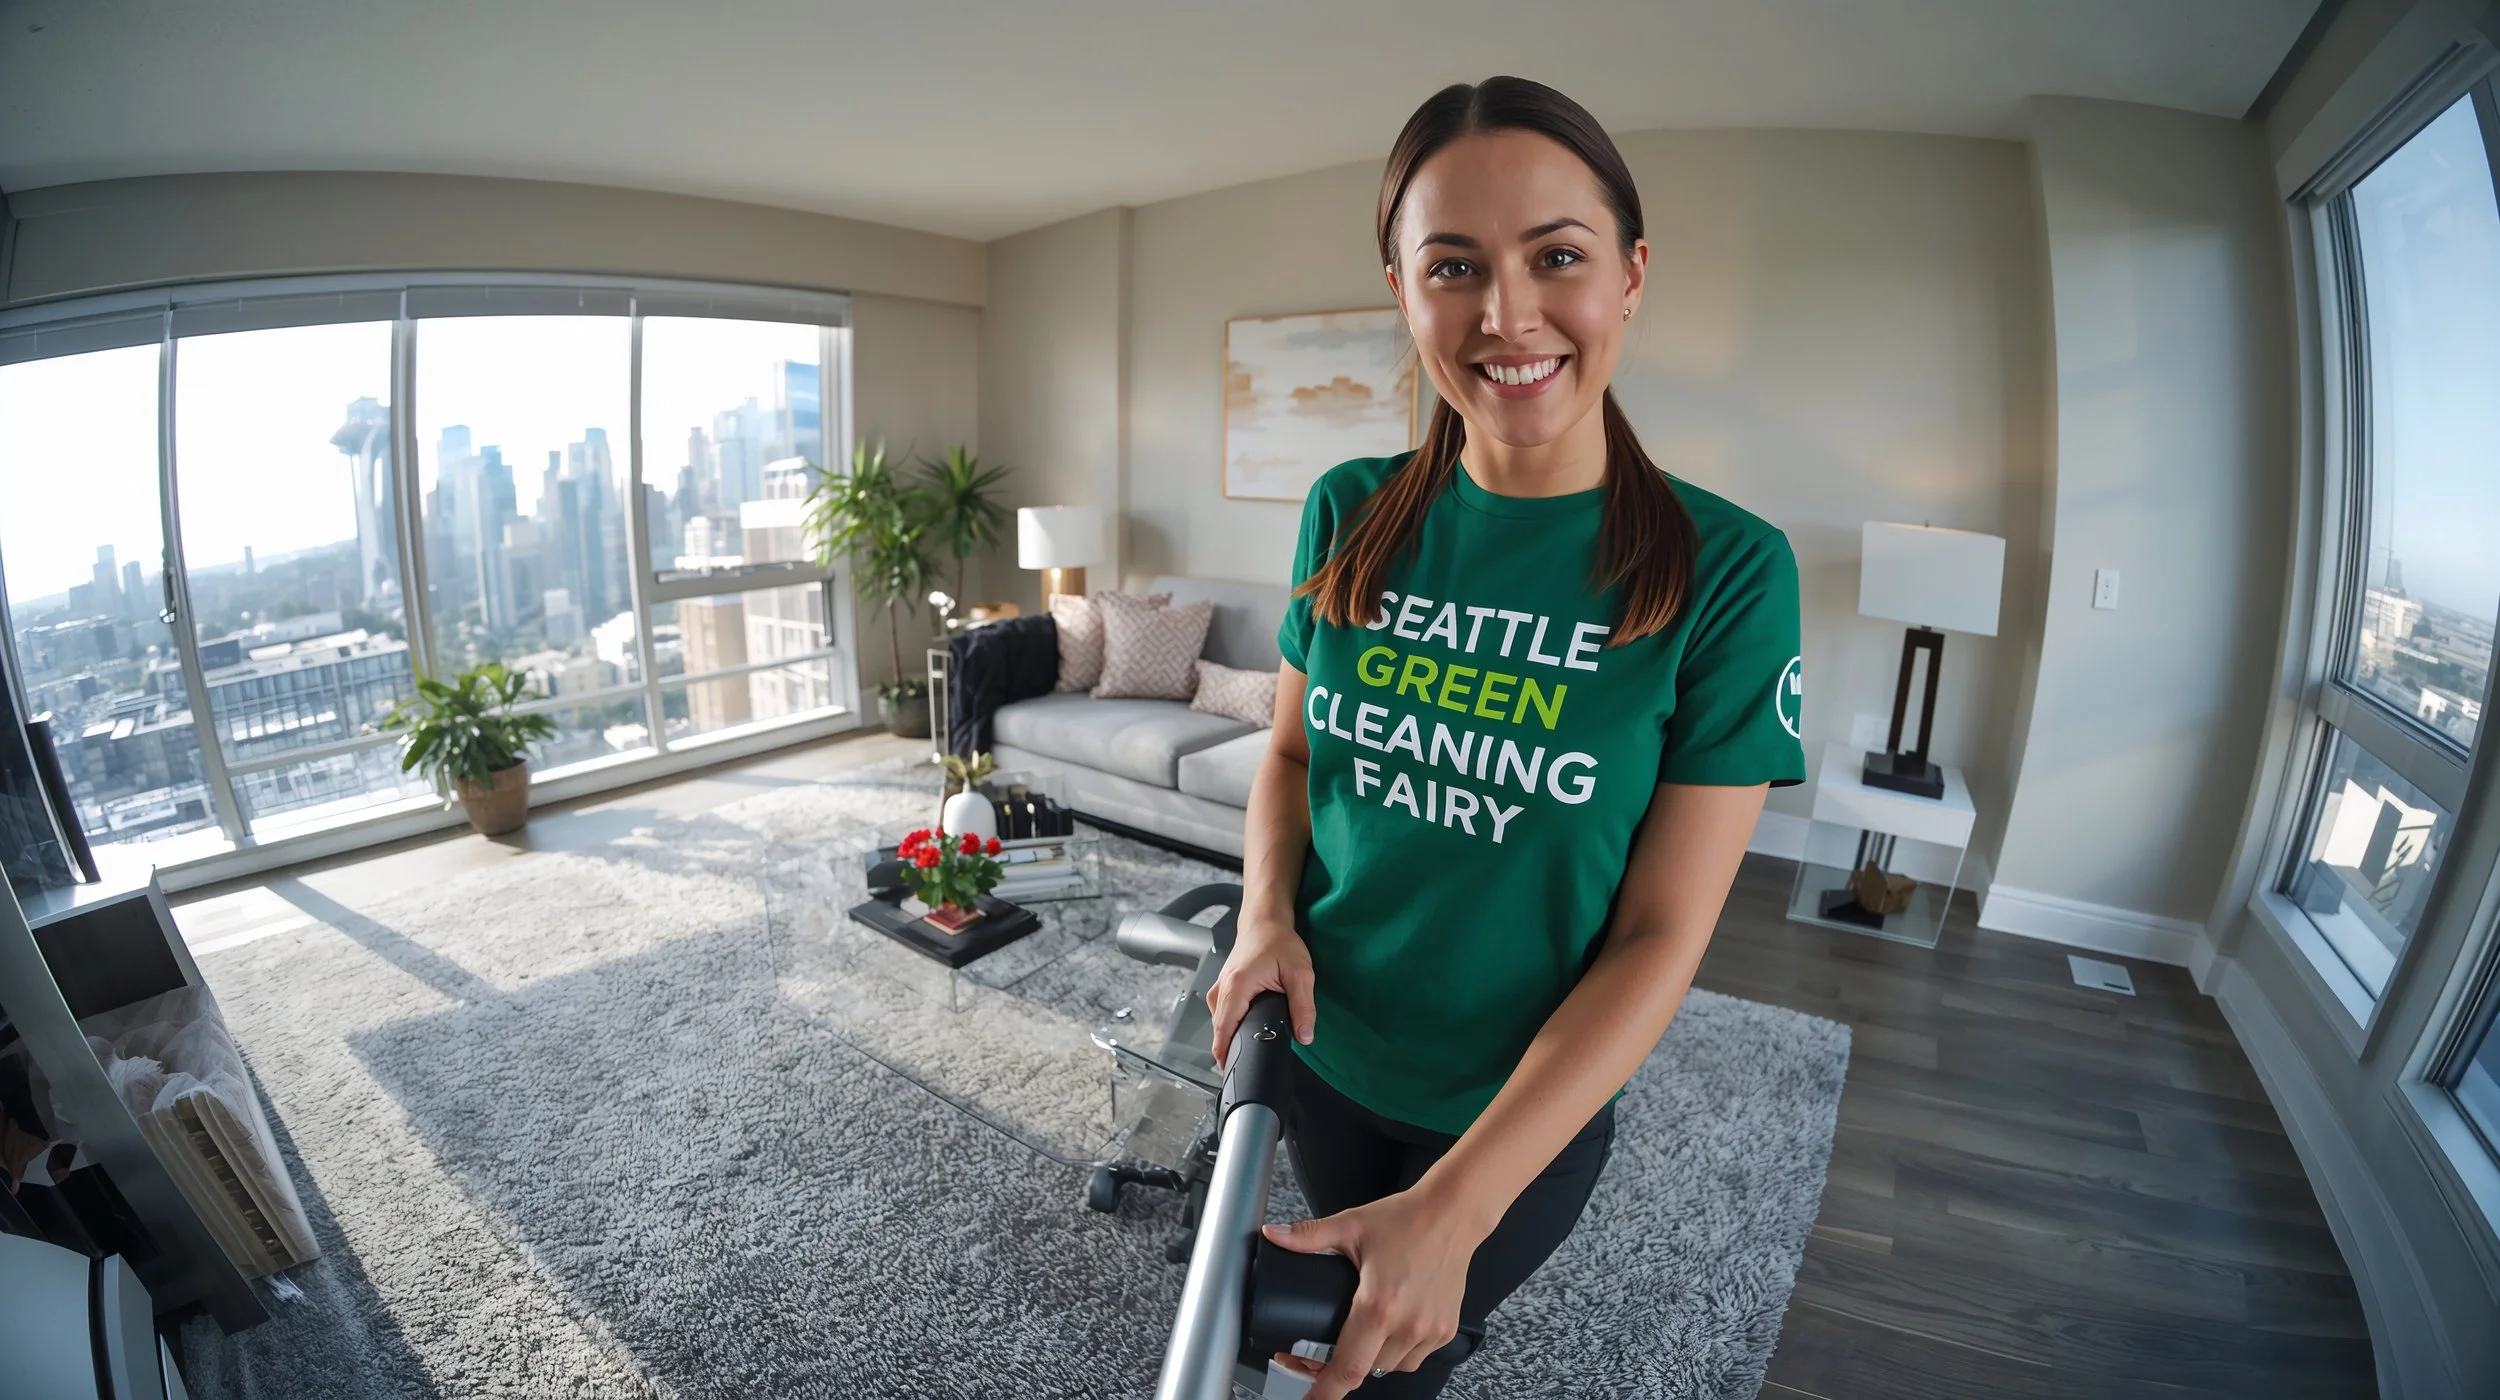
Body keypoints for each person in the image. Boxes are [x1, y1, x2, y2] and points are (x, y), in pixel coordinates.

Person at [1205, 75, 1808, 1400]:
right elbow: (1293, 759)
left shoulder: (1729, 572)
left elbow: (1662, 936)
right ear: (1403, 292)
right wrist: (1263, 916)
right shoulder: (1347, 510)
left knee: (1383, 1376)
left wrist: (1458, 1205)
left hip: (1514, 1116)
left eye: (1558, 258)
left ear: (1631, 275)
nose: (1508, 314)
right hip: (1322, 1048)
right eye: (1455, 267)